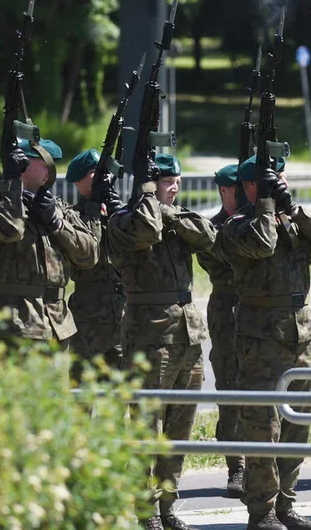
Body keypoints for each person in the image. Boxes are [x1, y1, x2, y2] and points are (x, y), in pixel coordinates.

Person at [215, 155, 311, 530]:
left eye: (281, 177)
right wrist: (267, 206)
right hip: (260, 337)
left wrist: (293, 208)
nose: (279, 183)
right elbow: (263, 244)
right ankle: (262, 511)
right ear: (250, 187)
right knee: (263, 427)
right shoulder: (237, 225)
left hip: (301, 336)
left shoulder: (291, 217)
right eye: (271, 180)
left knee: (297, 422)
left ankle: (286, 502)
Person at [108, 153, 214, 530]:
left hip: (188, 334)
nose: (175, 187)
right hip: (150, 335)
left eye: (177, 181)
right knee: (147, 426)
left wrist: (169, 212)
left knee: (179, 429)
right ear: (148, 186)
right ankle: (146, 509)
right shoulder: (124, 220)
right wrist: (150, 201)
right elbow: (146, 232)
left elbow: (208, 236)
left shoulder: (179, 218)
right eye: (167, 181)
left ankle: (168, 505)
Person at [0, 137, 100, 347]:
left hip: (56, 324)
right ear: (21, 165)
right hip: (13, 325)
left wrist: (57, 225)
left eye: (51, 163)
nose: (49, 169)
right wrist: (11, 184)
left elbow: (89, 255)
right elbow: (10, 229)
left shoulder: (58, 209)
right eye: (42, 163)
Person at [196, 163, 247, 498]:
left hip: (260, 312)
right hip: (228, 310)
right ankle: (237, 466)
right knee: (230, 385)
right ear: (224, 191)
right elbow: (226, 260)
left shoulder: (258, 222)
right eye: (236, 190)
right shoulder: (211, 228)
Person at [66, 148, 125, 367]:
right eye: (96, 173)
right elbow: (82, 255)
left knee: (127, 387)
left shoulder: (118, 213)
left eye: (105, 173)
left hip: (123, 311)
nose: (104, 178)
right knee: (83, 386)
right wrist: (92, 210)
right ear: (78, 181)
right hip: (88, 314)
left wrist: (116, 211)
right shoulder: (71, 216)